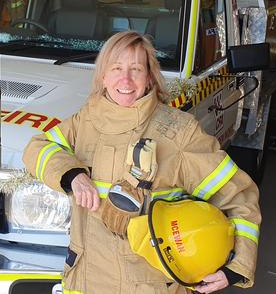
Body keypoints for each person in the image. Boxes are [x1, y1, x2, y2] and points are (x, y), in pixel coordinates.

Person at [23, 31, 260, 294]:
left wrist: (236, 266)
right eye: (116, 68)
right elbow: (38, 148)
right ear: (103, 76)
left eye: (136, 69)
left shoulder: (179, 132)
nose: (125, 79)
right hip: (87, 282)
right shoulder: (85, 121)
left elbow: (239, 196)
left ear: (149, 77)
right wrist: (73, 176)